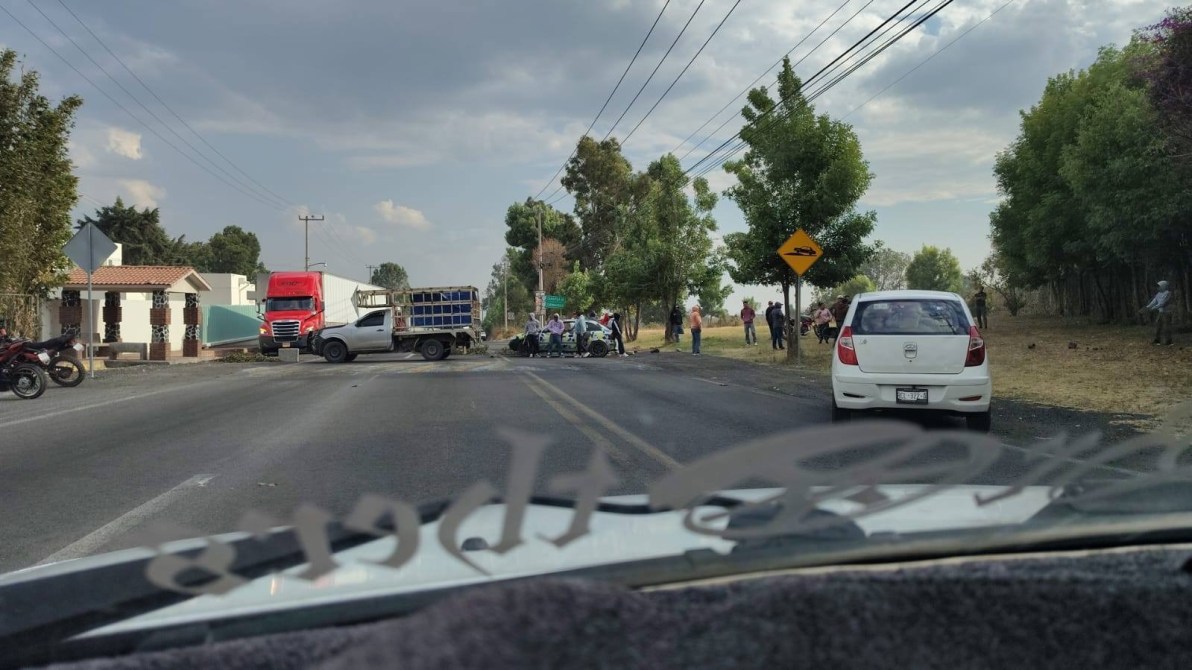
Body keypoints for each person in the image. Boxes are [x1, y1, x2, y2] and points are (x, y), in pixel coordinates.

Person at [1141, 280, 1174, 346]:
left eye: (1159, 286)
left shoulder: (1168, 293)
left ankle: (1169, 341)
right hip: (1161, 312)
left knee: (1166, 327)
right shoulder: (1158, 294)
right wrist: (1147, 308)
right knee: (1158, 326)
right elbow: (1154, 302)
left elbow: (1162, 303)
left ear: (1163, 286)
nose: (1158, 288)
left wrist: (1152, 309)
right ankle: (1157, 340)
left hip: (1167, 313)